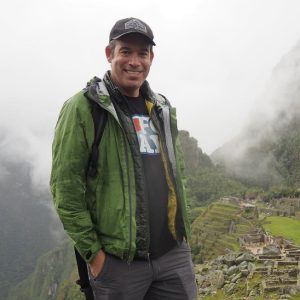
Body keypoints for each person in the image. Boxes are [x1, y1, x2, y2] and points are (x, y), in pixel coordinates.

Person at [50, 17, 197, 300]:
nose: (134, 61)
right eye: (125, 51)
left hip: (173, 257)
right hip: (119, 266)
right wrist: (95, 256)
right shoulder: (83, 108)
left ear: (151, 58)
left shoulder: (161, 107)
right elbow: (65, 189)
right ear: (109, 54)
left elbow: (178, 174)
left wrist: (184, 235)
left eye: (142, 53)